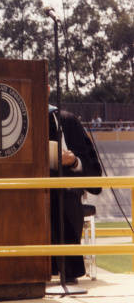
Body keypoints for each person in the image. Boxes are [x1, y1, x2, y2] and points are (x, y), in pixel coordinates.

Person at [49, 104, 102, 283]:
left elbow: (92, 169)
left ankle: (68, 269)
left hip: (65, 193)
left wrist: (73, 162)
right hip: (28, 195)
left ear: (47, 88)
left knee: (64, 198)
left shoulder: (68, 121)